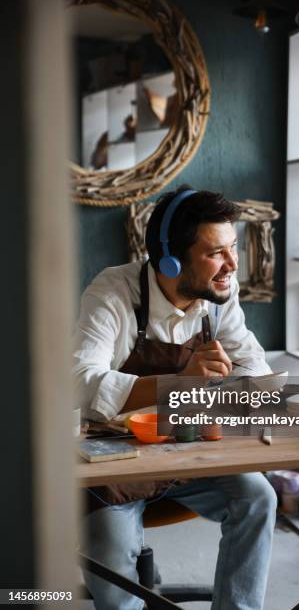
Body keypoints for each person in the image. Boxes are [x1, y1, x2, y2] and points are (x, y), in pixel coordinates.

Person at [73, 186, 277, 610]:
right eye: (215, 253)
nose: (233, 265)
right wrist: (179, 383)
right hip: (116, 463)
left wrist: (239, 385)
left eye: (233, 248)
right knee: (109, 550)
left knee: (259, 497)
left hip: (186, 452)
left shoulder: (220, 296)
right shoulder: (113, 293)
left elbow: (255, 367)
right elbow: (80, 381)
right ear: (170, 258)